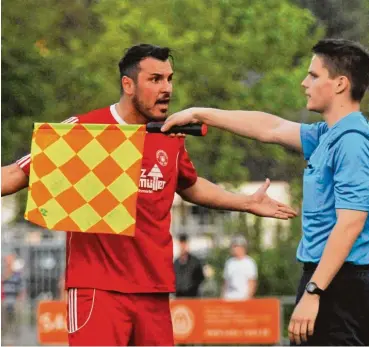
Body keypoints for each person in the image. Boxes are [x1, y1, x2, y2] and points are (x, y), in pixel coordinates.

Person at [1, 43, 298, 346]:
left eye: (169, 79)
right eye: (155, 79)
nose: (166, 88)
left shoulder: (169, 135)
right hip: (98, 290)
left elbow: (190, 185)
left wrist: (245, 202)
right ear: (128, 84)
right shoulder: (84, 130)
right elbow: (15, 174)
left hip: (153, 290)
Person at [162, 38, 369, 346]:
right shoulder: (328, 135)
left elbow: (350, 223)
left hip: (338, 284)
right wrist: (200, 113)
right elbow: (271, 128)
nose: (304, 82)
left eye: (314, 75)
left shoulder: (353, 142)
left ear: (340, 84)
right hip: (325, 279)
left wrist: (315, 291)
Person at [222, 235, 258, 300]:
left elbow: (252, 282)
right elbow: (226, 282)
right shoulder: (229, 263)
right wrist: (223, 297)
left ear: (242, 247)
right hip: (229, 298)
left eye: (235, 246)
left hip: (243, 298)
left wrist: (248, 297)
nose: (233, 249)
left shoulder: (249, 263)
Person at [1, 253, 24, 345]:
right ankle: (5, 342)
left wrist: (18, 301)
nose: (9, 263)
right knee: (4, 324)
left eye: (11, 261)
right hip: (4, 302)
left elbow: (21, 289)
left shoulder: (17, 275)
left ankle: (13, 343)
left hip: (14, 302)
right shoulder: (2, 275)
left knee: (14, 324)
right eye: (8, 261)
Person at [174, 233, 205, 297]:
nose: (183, 247)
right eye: (181, 244)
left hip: (192, 298)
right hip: (179, 298)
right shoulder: (176, 263)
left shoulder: (195, 262)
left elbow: (200, 279)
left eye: (184, 244)